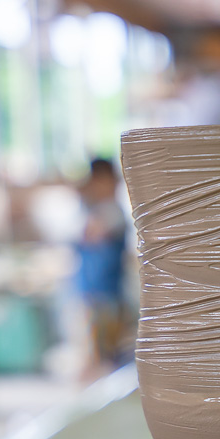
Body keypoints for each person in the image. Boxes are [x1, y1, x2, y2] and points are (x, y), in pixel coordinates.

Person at [75, 157, 128, 372]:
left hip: (108, 294)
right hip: (91, 291)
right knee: (93, 349)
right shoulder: (93, 210)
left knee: (107, 352)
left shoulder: (113, 212)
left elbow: (93, 233)